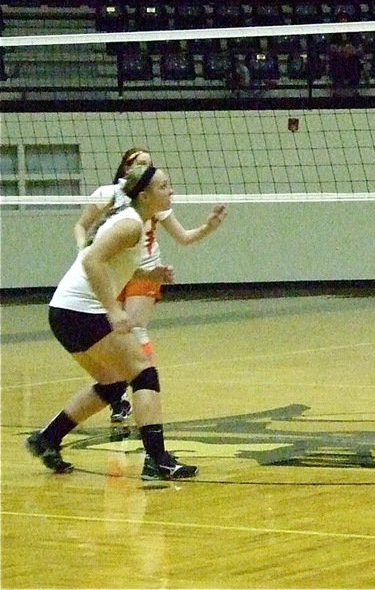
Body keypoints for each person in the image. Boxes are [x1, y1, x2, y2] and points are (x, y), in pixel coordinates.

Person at [27, 164, 198, 480]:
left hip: (64, 313)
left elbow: (111, 265)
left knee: (113, 382)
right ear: (144, 195)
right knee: (144, 373)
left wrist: (150, 274)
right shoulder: (130, 225)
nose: (170, 191)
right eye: (164, 186)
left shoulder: (135, 222)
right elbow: (91, 261)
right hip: (81, 312)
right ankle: (157, 460)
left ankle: (48, 438)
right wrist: (113, 309)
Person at [75, 148, 228, 422]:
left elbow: (184, 238)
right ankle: (119, 391)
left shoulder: (156, 202)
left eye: (149, 164)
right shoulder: (108, 195)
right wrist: (83, 254)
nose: (146, 167)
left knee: (134, 328)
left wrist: (208, 227)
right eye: (139, 164)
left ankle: (142, 384)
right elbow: (81, 226)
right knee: (112, 332)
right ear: (126, 168)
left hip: (146, 271)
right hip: (114, 269)